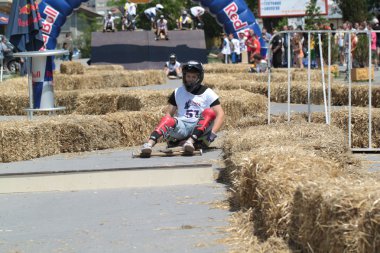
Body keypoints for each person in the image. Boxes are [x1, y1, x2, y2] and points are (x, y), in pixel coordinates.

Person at [141, 61, 225, 154]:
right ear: (184, 76)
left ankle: (190, 142)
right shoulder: (178, 92)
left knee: (209, 112)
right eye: (188, 76)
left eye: (194, 77)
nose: (190, 79)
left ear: (199, 78)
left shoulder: (208, 92)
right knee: (168, 119)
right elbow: (169, 114)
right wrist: (167, 132)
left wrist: (212, 135)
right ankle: (149, 144)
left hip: (200, 127)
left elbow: (220, 114)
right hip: (182, 127)